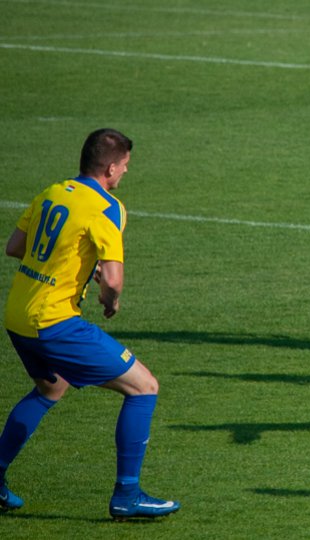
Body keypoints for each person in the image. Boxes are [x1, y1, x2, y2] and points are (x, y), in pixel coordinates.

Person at [0, 129, 180, 518]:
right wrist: (109, 300)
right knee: (144, 388)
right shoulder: (107, 207)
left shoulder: (53, 191)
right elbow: (113, 281)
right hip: (55, 322)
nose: (125, 174)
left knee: (50, 389)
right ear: (111, 167)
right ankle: (127, 496)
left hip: (17, 314)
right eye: (125, 167)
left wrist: (79, 267)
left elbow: (15, 246)